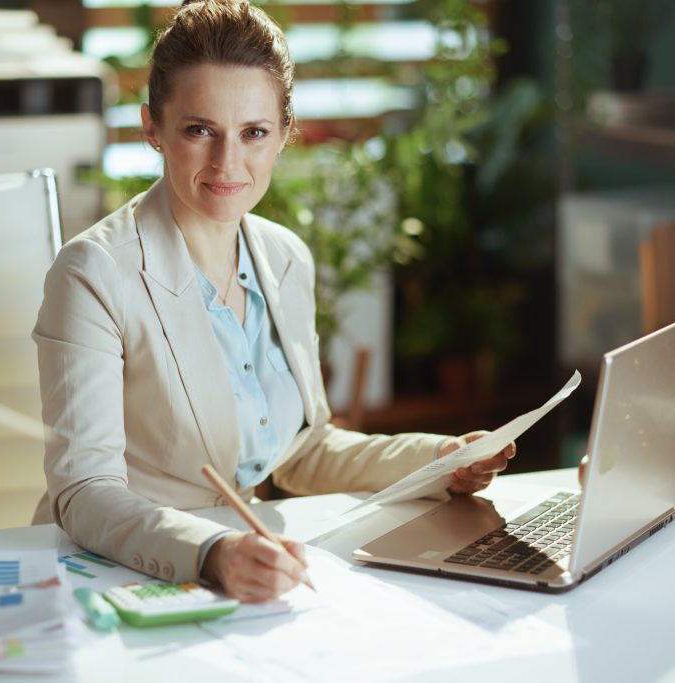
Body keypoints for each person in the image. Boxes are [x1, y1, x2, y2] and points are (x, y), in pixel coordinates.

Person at [32, 0, 515, 603]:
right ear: (151, 128)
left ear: (285, 134)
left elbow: (299, 453)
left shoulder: (285, 259)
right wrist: (211, 553)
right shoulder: (93, 273)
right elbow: (83, 491)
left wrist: (440, 459)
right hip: (120, 578)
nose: (227, 163)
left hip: (247, 570)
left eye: (253, 132)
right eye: (198, 129)